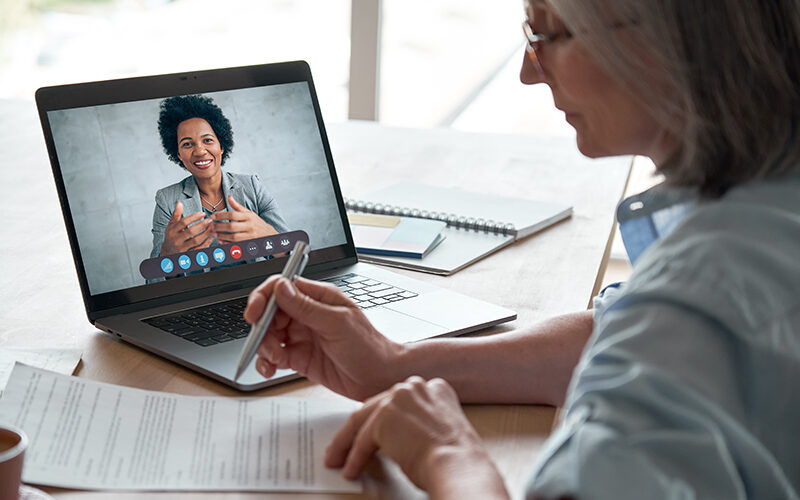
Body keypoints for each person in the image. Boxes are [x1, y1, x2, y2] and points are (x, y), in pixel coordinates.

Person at [244, 0, 800, 498]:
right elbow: (617, 332)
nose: (528, 71)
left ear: (662, 35)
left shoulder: (701, 285)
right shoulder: (764, 214)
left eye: (544, 33)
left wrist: (447, 455)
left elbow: (665, 328)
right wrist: (394, 363)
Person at [150, 94, 289, 259]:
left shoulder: (252, 186)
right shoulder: (166, 201)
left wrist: (268, 235)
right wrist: (167, 254)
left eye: (207, 140)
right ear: (178, 154)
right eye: (187, 144)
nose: (200, 151)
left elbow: (293, 255)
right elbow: (153, 280)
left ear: (221, 146)